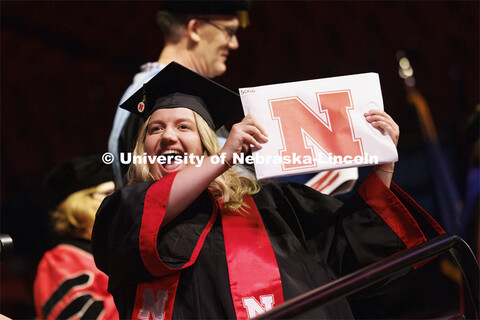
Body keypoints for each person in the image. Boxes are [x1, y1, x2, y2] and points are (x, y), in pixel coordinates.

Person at [92, 63, 445, 319]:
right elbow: (151, 211)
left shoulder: (274, 203)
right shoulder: (122, 215)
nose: (168, 136)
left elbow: (347, 247)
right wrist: (226, 157)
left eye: (184, 126)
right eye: (155, 129)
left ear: (204, 143)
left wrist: (384, 163)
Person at [109, 0, 250, 188]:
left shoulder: (143, 95)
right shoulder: (157, 99)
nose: (234, 44)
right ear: (196, 29)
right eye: (229, 32)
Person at [34, 155, 119, 320]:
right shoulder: (60, 261)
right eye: (108, 193)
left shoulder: (120, 249)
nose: (120, 200)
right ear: (78, 205)